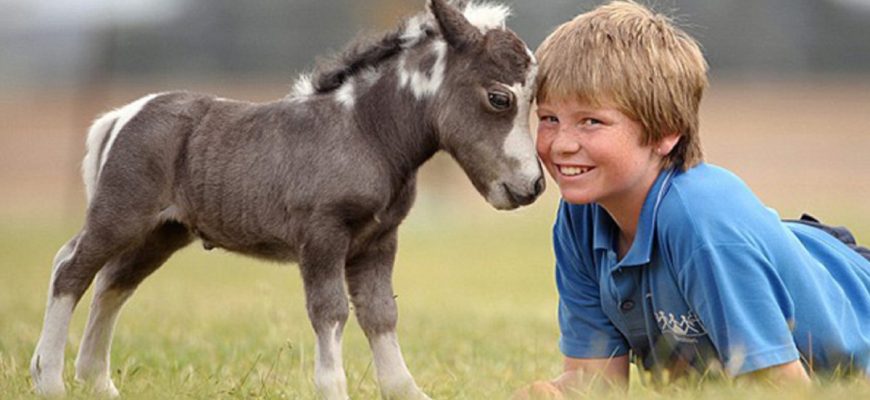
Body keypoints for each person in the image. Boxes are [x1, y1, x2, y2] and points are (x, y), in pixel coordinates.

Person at [517, 1, 870, 397]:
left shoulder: (701, 221)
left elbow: (782, 390)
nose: (561, 144)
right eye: (549, 119)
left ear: (665, 132)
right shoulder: (580, 217)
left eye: (591, 121)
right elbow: (598, 382)